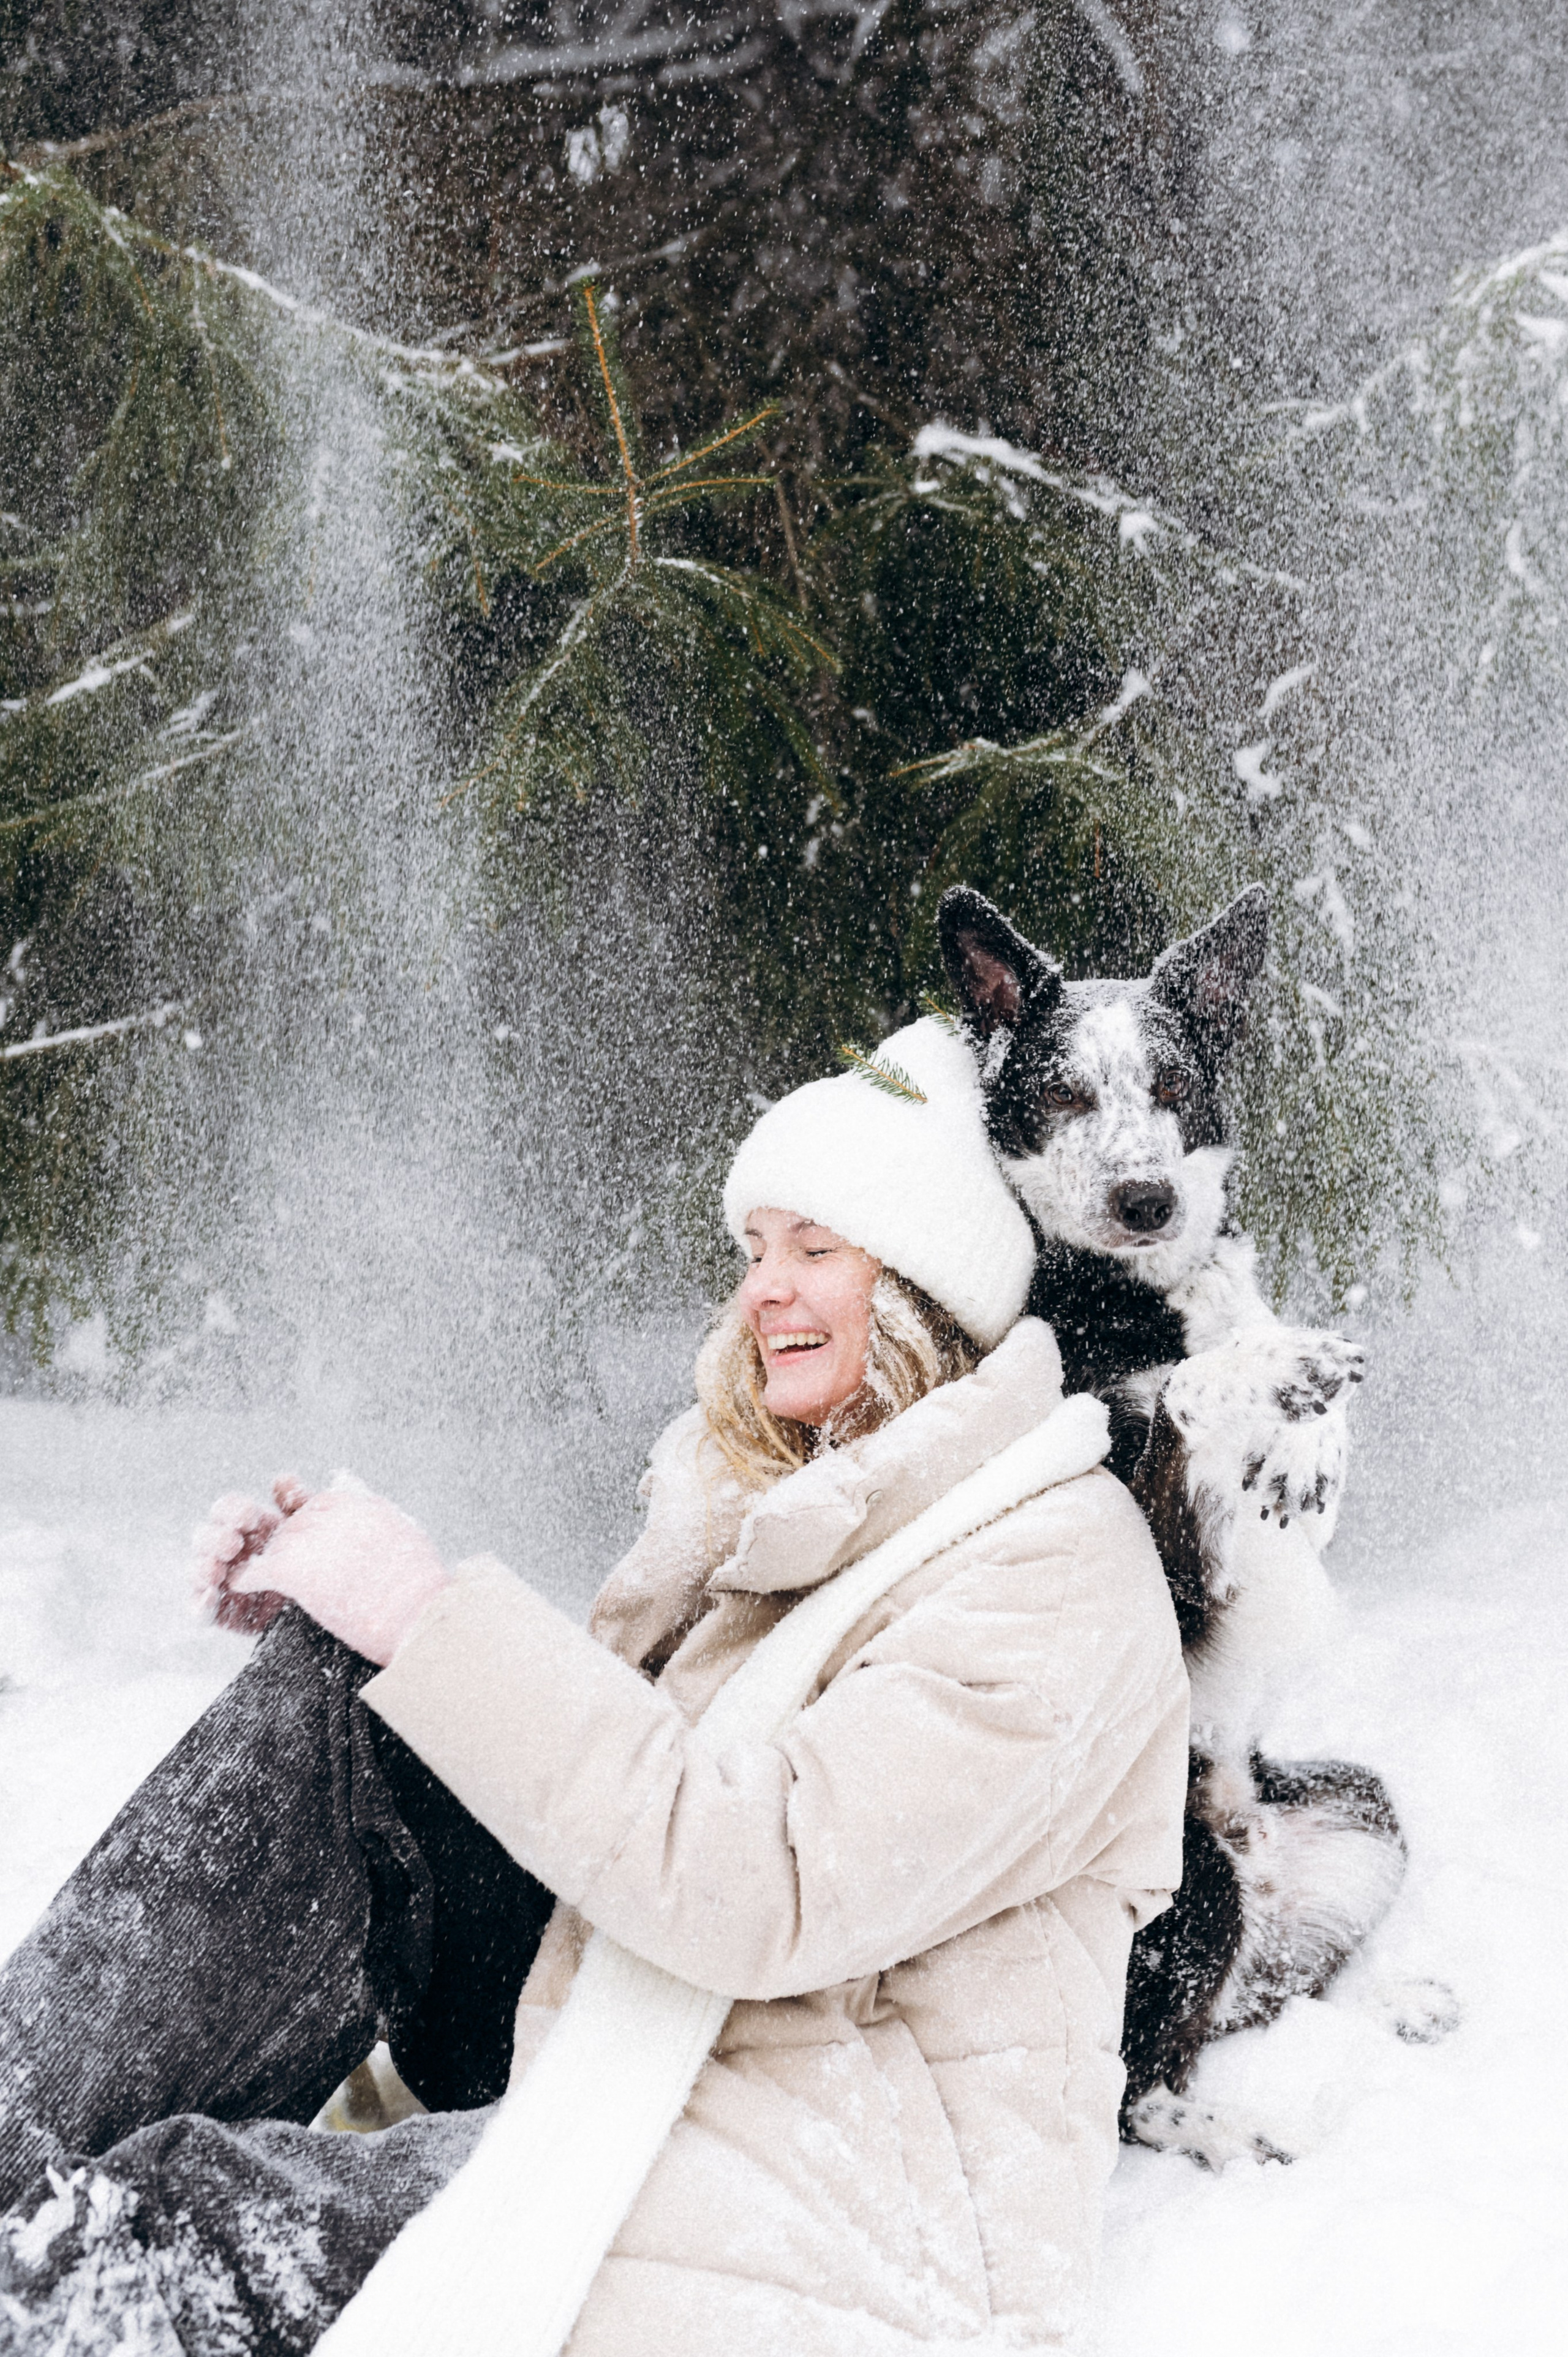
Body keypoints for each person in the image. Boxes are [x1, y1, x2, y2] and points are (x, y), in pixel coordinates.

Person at [0, 1016, 1188, 2357]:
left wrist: (427, 1614)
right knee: (348, 1695)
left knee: (160, 2227)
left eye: (815, 1249)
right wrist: (373, 1628)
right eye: (754, 1251)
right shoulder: (781, 1515)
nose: (763, 1292)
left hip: (813, 2180)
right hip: (631, 2036)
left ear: (923, 1282)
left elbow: (757, 1878)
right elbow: (595, 1799)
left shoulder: (1053, 1562)